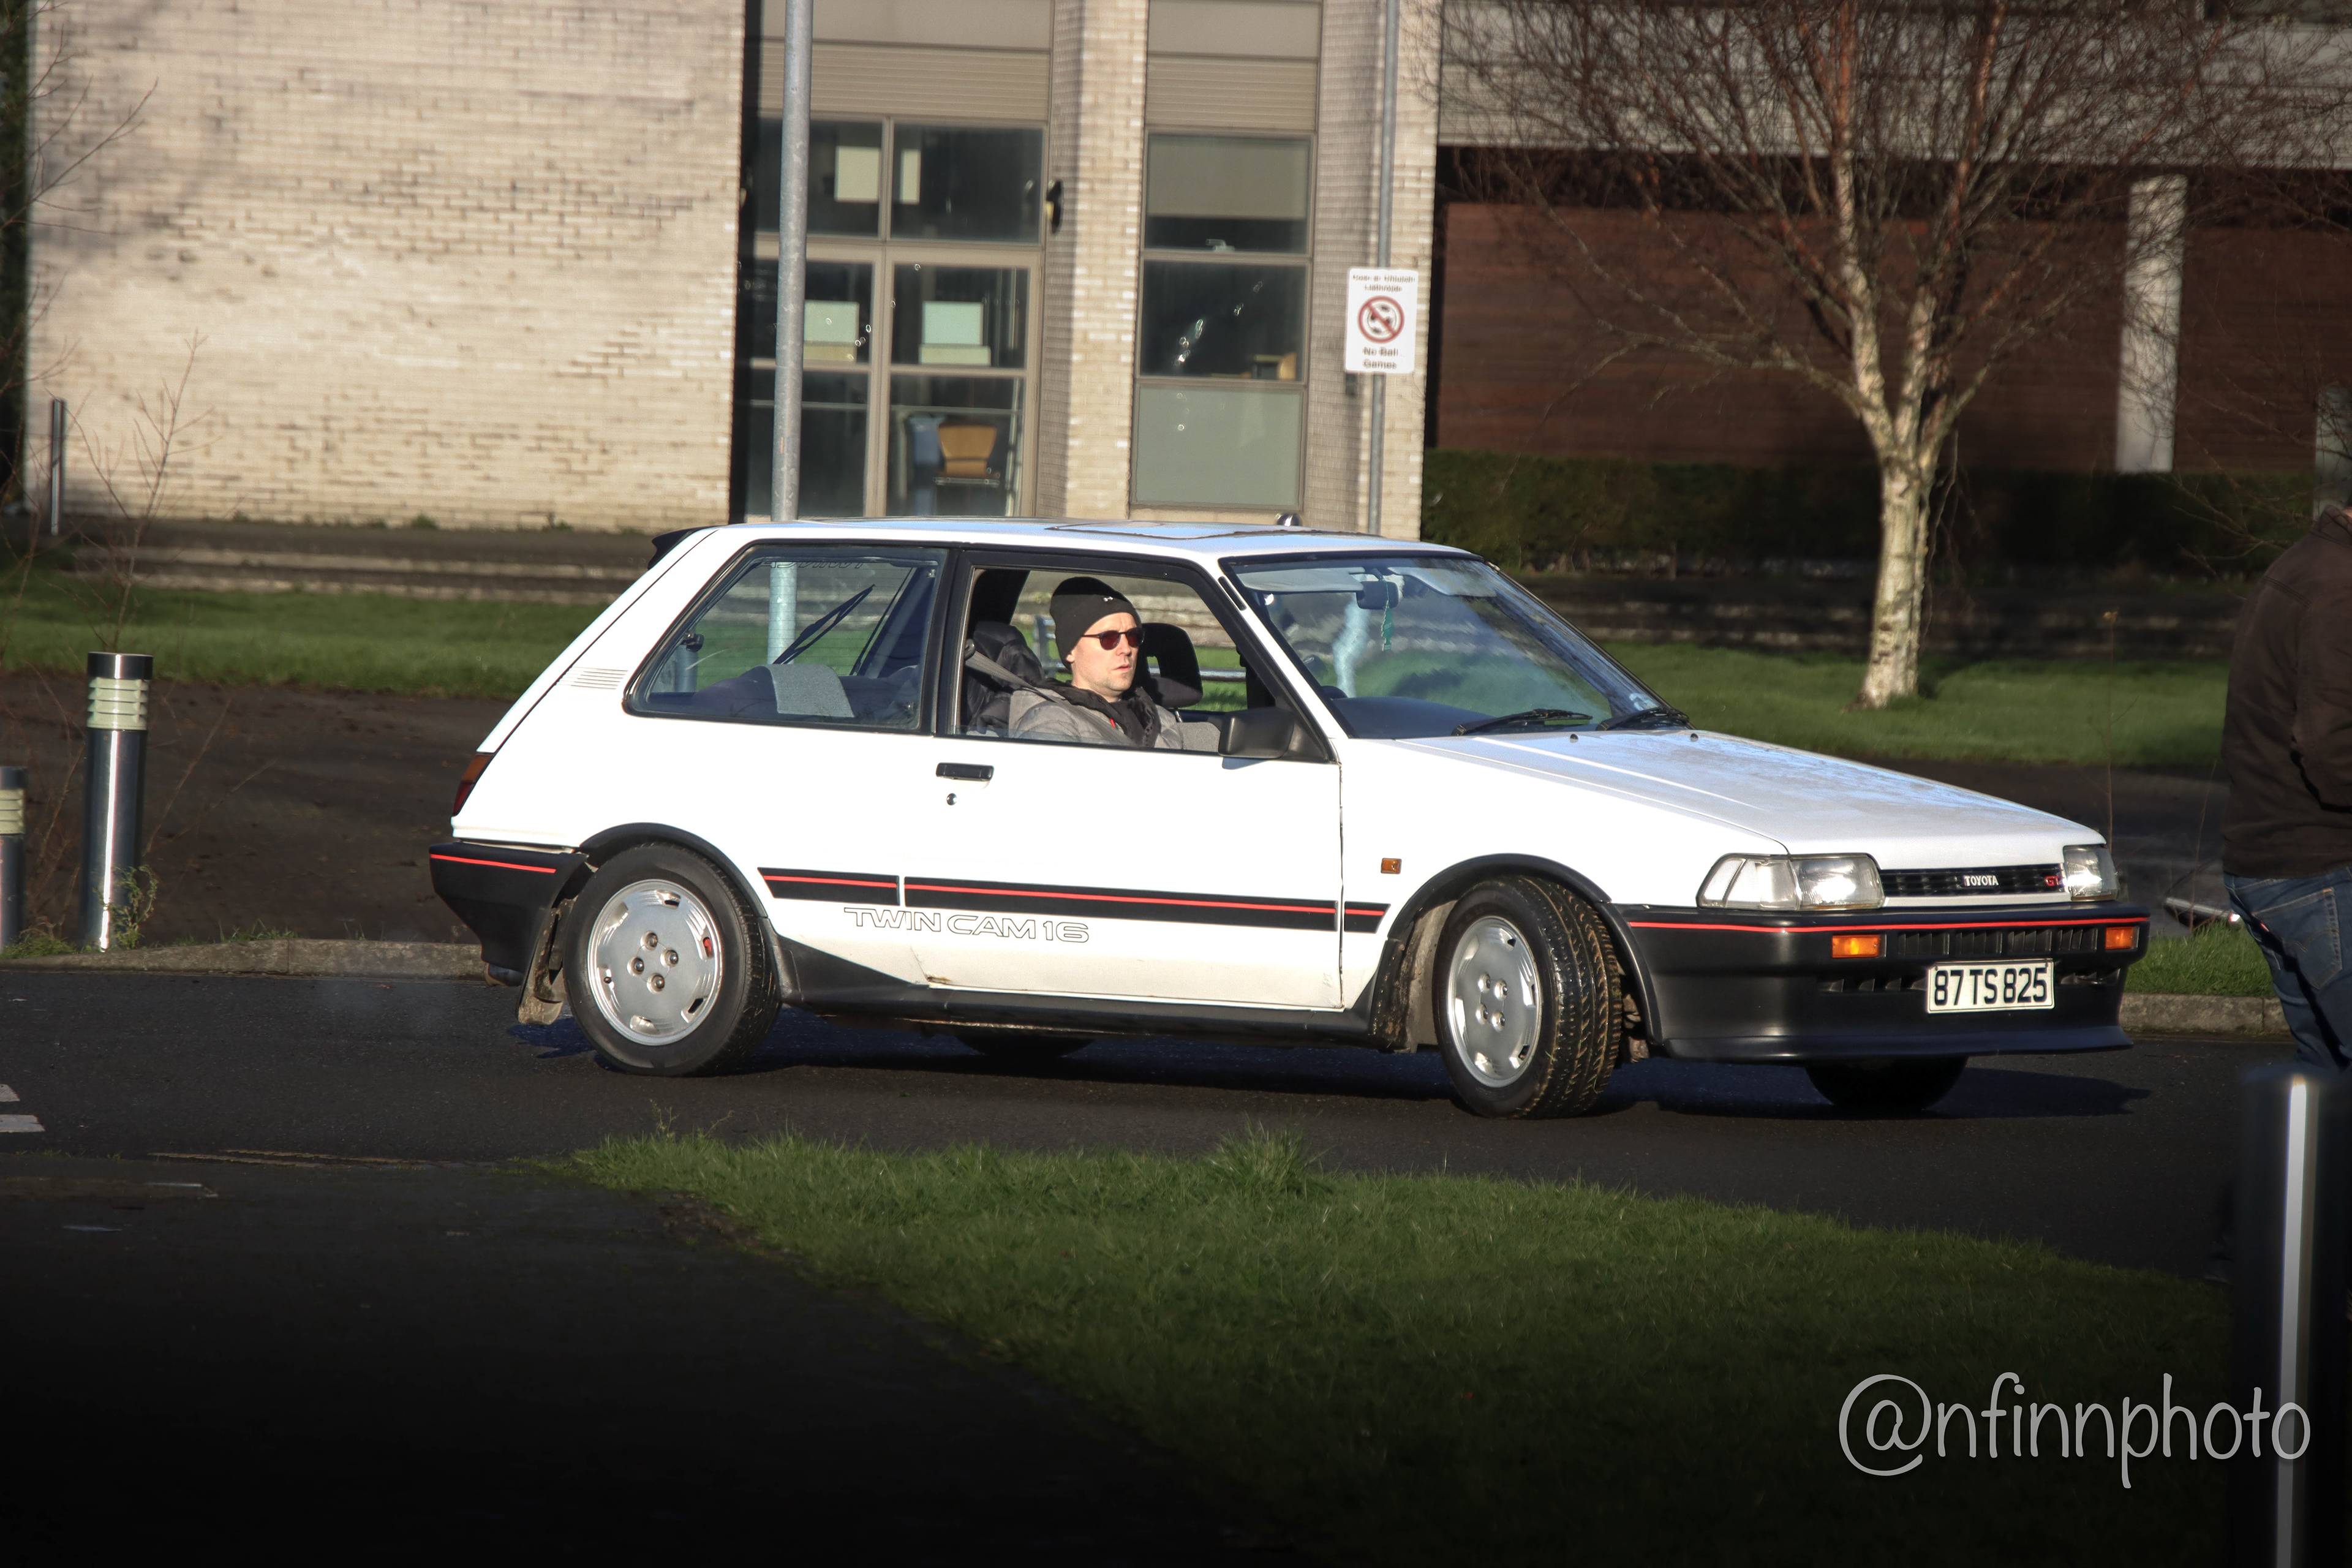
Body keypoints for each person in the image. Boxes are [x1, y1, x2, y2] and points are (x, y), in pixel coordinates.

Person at [2222, 502, 2352, 1073]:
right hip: (2319, 869)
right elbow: (2332, 746)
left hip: (2278, 865)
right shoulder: (2338, 589)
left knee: (2325, 1086)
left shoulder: (2308, 564)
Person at [1008, 578, 1219, 751]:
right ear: (1071, 651)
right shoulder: (1051, 723)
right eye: (1108, 638)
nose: (1126, 648)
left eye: (1133, 636)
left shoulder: (1159, 717)